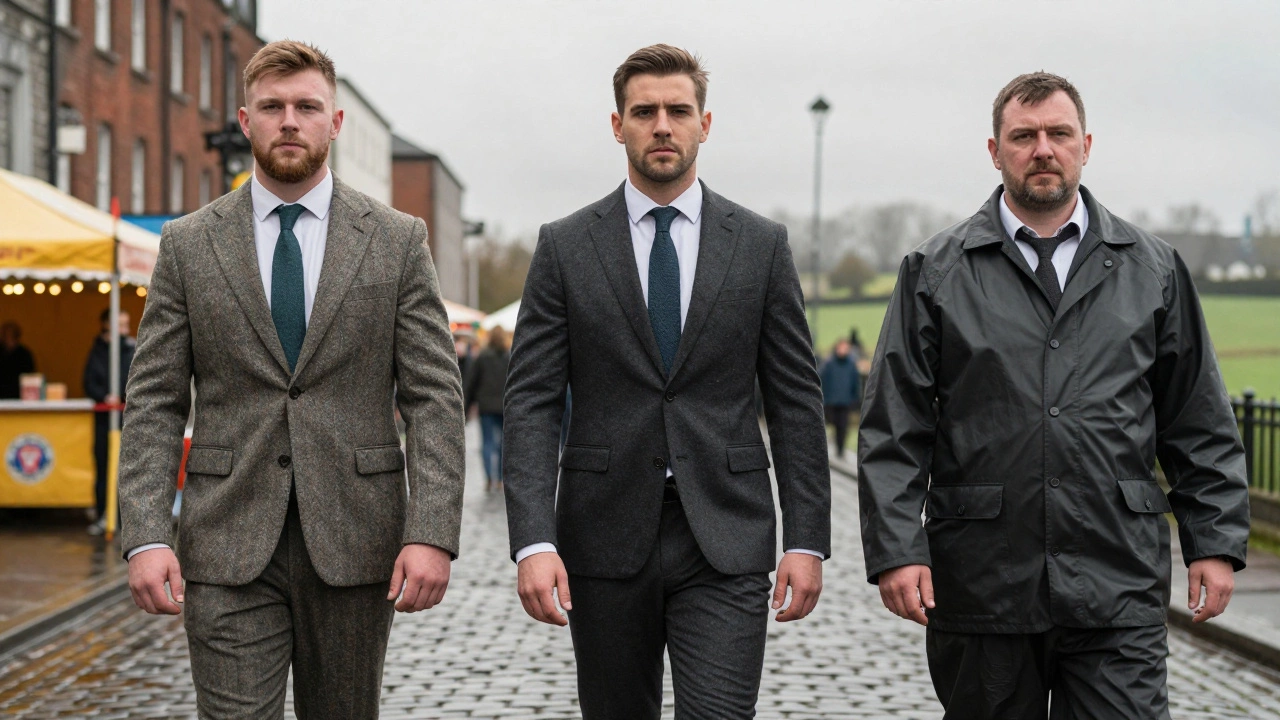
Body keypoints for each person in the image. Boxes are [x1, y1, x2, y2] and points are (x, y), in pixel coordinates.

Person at [857, 72, 1250, 719]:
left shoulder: (1151, 268)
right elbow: (894, 428)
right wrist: (898, 549)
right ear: (994, 150)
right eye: (1024, 135)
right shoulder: (935, 272)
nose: (1043, 148)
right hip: (983, 583)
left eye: (1058, 133)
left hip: (1116, 576)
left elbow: (1197, 418)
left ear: (1085, 144)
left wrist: (1213, 540)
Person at [117, 40, 465, 718]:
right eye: (272, 107)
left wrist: (431, 530)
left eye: (307, 107)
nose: (289, 121)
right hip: (224, 541)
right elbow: (155, 399)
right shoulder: (189, 244)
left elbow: (434, 397)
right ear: (246, 121)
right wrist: (148, 532)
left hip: (357, 541)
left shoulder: (397, 241)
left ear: (334, 123)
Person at [504, 44, 830, 719]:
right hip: (602, 534)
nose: (662, 125)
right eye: (644, 111)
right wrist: (534, 541)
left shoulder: (761, 245)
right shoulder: (565, 246)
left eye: (678, 111)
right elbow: (531, 400)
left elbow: (796, 399)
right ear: (617, 124)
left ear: (704, 125)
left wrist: (806, 538)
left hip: (726, 533)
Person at [82, 309, 135, 535]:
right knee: (103, 467)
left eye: (126, 323)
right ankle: (104, 513)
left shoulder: (131, 349)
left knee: (127, 469)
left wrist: (122, 396)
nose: (124, 328)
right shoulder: (97, 350)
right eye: (120, 324)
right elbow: (88, 381)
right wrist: (104, 396)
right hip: (104, 419)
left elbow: (134, 378)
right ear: (106, 324)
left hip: (125, 418)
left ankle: (125, 518)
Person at [465, 326, 511, 491]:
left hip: (485, 407)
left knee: (487, 443)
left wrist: (466, 406)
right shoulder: (509, 357)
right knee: (502, 444)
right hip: (505, 406)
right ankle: (499, 479)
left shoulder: (482, 357)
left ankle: (489, 478)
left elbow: (471, 383)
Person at [819, 338, 859, 458]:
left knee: (842, 427)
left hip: (845, 402)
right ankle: (821, 449)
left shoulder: (851, 365)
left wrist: (855, 399)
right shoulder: (829, 364)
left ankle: (840, 451)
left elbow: (855, 383)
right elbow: (821, 379)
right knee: (828, 424)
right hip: (830, 401)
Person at [0, 321, 35, 399]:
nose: (5, 338)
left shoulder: (24, 354)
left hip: (18, 396)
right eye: (4, 334)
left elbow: (30, 377)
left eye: (8, 335)